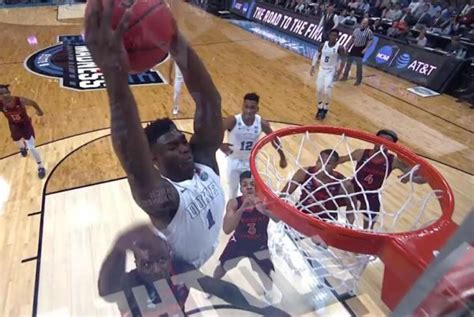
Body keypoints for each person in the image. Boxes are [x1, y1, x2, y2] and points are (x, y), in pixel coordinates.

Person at [85, 0, 225, 269]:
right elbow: (134, 164)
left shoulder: (203, 162)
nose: (185, 148)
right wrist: (114, 76)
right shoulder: (166, 200)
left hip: (208, 251)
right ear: (154, 159)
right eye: (172, 148)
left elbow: (210, 101)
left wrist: (175, 39)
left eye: (182, 142)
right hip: (173, 278)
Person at [98, 225, 289, 316]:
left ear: (170, 255)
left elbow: (222, 289)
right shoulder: (130, 282)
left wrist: (269, 310)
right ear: (136, 263)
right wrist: (118, 248)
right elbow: (106, 291)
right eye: (147, 264)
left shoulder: (180, 270)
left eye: (162, 260)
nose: (156, 269)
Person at [210, 171, 278, 302]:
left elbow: (278, 219)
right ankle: (212, 286)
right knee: (221, 267)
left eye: (252, 184)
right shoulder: (234, 203)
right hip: (239, 242)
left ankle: (268, 293)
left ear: (257, 186)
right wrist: (242, 209)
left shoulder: (266, 202)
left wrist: (266, 211)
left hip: (259, 244)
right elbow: (227, 229)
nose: (249, 187)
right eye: (245, 185)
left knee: (267, 276)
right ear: (241, 188)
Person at [338, 129, 426, 229]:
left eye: (387, 141)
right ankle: (346, 229)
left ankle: (365, 237)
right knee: (337, 200)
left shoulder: (393, 161)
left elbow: (423, 179)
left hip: (372, 194)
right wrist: (328, 160)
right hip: (354, 189)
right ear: (374, 139)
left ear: (392, 145)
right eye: (381, 139)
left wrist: (411, 178)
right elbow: (339, 160)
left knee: (369, 226)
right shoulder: (361, 153)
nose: (382, 143)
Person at [220, 93, 287, 199]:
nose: (249, 111)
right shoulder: (233, 121)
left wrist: (282, 157)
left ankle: (249, 214)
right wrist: (220, 145)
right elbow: (215, 132)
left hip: (250, 162)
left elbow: (273, 139)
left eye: (252, 108)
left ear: (257, 109)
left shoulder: (261, 123)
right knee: (233, 191)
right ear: (242, 107)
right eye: (246, 107)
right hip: (233, 160)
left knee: (250, 191)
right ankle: (232, 211)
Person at [281, 149, 354, 223]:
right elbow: (283, 194)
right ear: (316, 161)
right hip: (302, 215)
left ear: (335, 165)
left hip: (326, 222)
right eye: (320, 161)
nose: (322, 166)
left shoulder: (344, 184)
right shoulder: (304, 173)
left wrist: (349, 227)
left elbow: (352, 207)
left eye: (328, 163)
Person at [0, 84, 46, 179]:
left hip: (25, 124)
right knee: (17, 141)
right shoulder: (0, 104)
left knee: (32, 148)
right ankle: (22, 148)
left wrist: (39, 111)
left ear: (9, 92)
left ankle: (41, 166)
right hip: (14, 125)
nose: (5, 95)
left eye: (6, 92)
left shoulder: (19, 100)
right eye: (2, 93)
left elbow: (33, 102)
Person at [310, 29, 346, 120]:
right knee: (319, 90)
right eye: (332, 35)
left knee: (327, 91)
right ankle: (319, 108)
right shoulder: (323, 45)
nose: (333, 37)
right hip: (321, 69)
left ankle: (325, 110)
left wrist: (340, 71)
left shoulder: (340, 47)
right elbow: (316, 55)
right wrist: (313, 66)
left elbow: (343, 60)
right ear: (329, 35)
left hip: (331, 71)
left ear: (337, 37)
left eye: (335, 35)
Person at [341, 18, 374, 86]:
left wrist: (366, 48)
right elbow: (352, 39)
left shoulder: (369, 32)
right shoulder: (356, 30)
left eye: (365, 23)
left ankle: (358, 80)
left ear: (367, 25)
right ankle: (345, 76)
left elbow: (370, 41)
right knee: (348, 64)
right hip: (354, 48)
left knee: (359, 66)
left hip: (361, 49)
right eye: (363, 22)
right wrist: (347, 46)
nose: (363, 24)